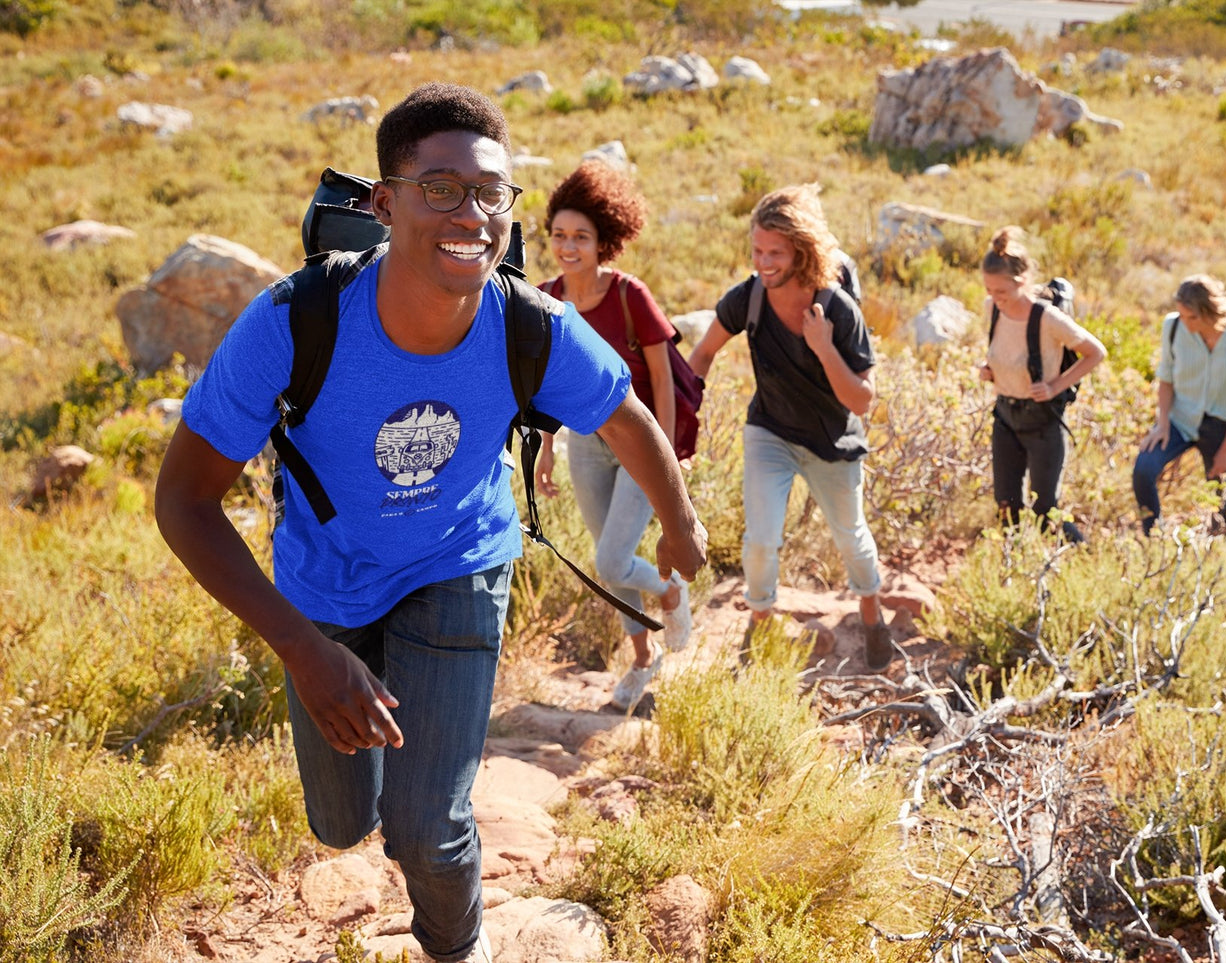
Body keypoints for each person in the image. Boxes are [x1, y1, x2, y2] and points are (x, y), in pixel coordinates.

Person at [153, 83, 706, 963]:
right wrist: (302, 648)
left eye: (492, 193)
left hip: (459, 563)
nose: (473, 214)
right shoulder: (295, 323)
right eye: (441, 188)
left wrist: (677, 523)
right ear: (385, 202)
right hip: (323, 587)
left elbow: (624, 411)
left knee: (429, 826)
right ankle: (366, 789)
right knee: (340, 824)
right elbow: (181, 499)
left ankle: (458, 948)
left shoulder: (528, 323)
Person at [688, 184, 894, 670]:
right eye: (757, 250)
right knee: (760, 539)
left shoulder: (839, 310)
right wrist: (679, 413)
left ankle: (871, 612)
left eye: (775, 253)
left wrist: (823, 347)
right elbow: (702, 354)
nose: (763, 262)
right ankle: (759, 626)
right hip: (771, 432)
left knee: (851, 536)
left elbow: (862, 402)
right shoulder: (750, 298)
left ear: (802, 251)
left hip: (833, 443)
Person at [535, 161, 692, 711]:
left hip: (639, 444)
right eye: (559, 236)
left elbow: (666, 386)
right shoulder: (545, 298)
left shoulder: (630, 296)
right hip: (584, 443)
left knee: (611, 562)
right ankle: (643, 660)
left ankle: (672, 592)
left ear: (605, 240)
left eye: (581, 237)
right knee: (611, 558)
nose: (569, 247)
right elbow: (542, 386)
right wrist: (545, 448)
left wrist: (667, 455)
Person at [978, 226, 1105, 543]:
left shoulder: (1047, 318)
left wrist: (1056, 385)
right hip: (1005, 417)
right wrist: (990, 370)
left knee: (1046, 510)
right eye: (990, 290)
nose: (995, 298)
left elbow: (1095, 352)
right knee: (1006, 508)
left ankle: (1081, 557)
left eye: (1001, 292)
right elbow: (1004, 351)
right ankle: (1013, 573)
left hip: (1042, 422)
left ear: (1021, 282)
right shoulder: (992, 309)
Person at [1133, 274, 1226, 536]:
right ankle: (1155, 537)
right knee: (1144, 469)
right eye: (1181, 314)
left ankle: (1216, 557)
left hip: (1224, 427)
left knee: (1219, 507)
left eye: (1191, 317)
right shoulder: (1173, 327)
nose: (1184, 322)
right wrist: (1162, 424)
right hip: (1181, 420)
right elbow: (1166, 379)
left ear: (1210, 312)